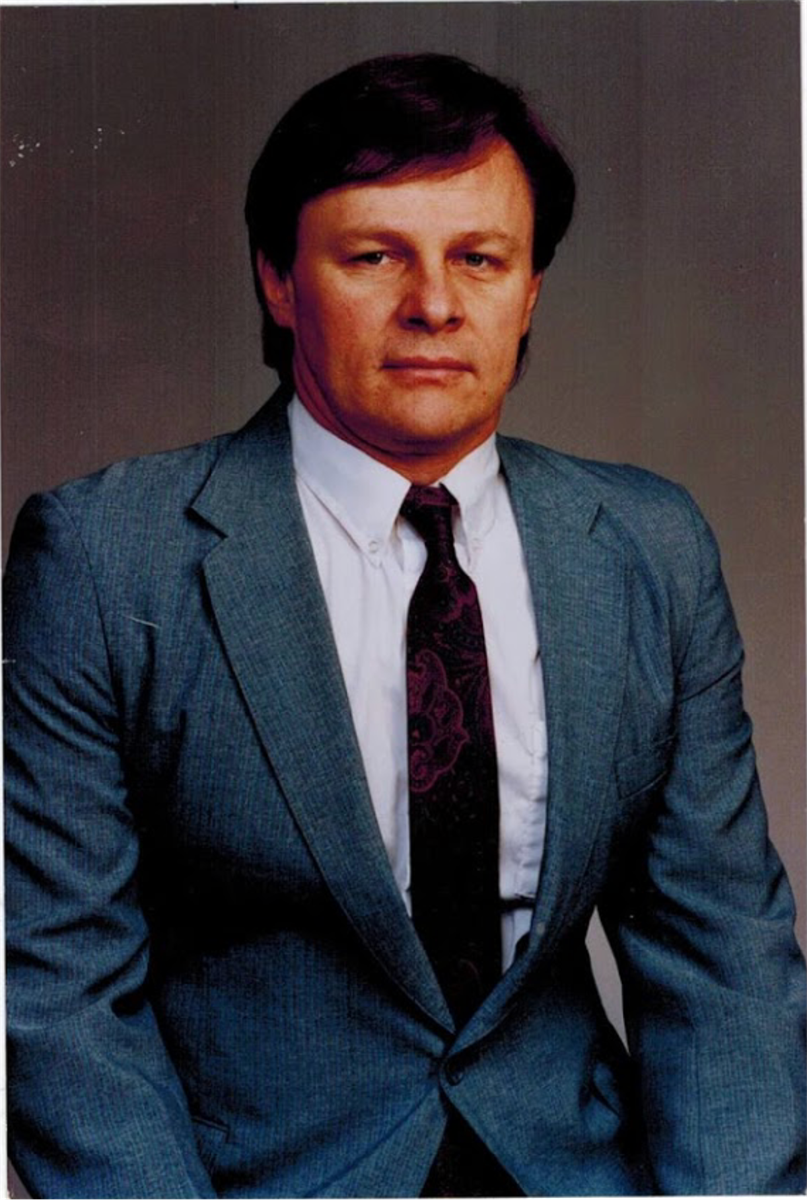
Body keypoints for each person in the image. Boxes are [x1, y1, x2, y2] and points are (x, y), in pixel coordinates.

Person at [4, 52, 806, 1200]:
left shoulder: (650, 546)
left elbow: (724, 962)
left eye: (481, 258)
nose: (435, 304)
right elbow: (55, 991)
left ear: (530, 291)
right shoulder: (104, 556)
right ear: (279, 280)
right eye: (375, 256)